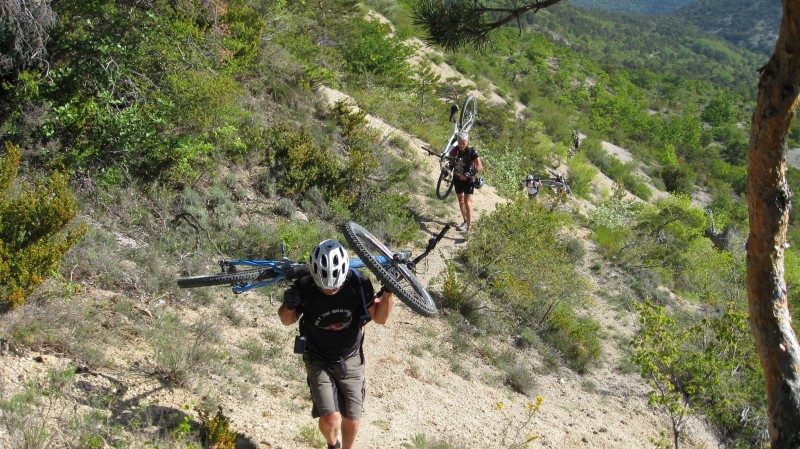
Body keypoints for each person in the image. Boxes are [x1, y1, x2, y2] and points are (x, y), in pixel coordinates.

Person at [278, 239, 393, 449]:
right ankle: (333, 445)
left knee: (352, 419)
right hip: (317, 358)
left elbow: (380, 317)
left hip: (350, 357)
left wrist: (388, 291)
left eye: (335, 286)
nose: (330, 290)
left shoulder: (357, 282)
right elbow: (286, 320)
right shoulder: (305, 285)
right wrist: (288, 305)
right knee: (330, 419)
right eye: (324, 286)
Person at [448, 132, 483, 234]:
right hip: (457, 178)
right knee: (461, 201)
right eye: (460, 143)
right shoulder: (455, 150)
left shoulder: (472, 151)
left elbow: (480, 166)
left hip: (469, 180)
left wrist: (469, 174)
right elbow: (451, 162)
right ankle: (464, 221)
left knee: (468, 202)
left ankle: (469, 227)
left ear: (467, 142)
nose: (462, 145)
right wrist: (446, 170)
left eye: (464, 143)